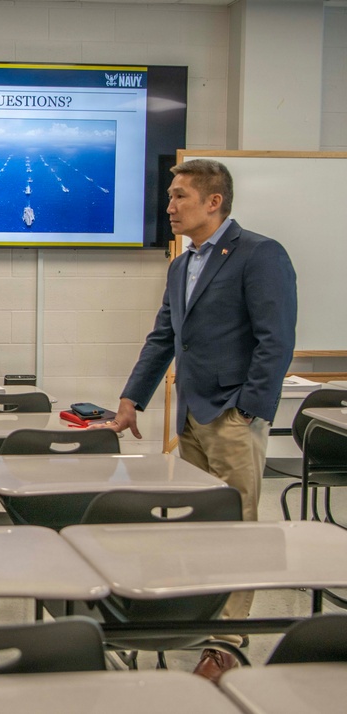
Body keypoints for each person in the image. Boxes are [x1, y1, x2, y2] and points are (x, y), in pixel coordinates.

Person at [95, 159, 297, 683]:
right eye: (170, 196)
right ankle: (200, 619)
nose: (169, 206)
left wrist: (248, 409)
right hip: (190, 415)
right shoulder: (182, 264)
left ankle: (226, 641)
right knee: (201, 526)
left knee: (237, 527)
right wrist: (131, 399)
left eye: (180, 195)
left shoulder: (259, 254)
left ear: (214, 201)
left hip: (232, 415)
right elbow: (164, 336)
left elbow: (276, 340)